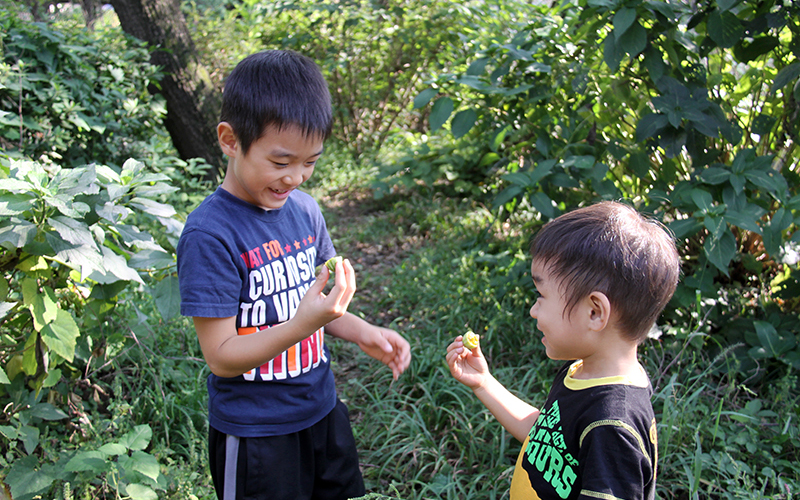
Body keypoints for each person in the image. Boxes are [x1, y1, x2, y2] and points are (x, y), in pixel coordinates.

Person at [177, 50, 412, 500]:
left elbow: (316, 306)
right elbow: (221, 355)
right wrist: (301, 325)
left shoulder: (304, 211)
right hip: (256, 434)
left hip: (322, 410)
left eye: (310, 162)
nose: (296, 178)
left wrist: (363, 331)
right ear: (230, 140)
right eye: (281, 162)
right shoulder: (211, 234)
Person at [445, 201, 680, 500]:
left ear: (595, 312)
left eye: (541, 295)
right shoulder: (585, 371)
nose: (533, 310)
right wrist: (484, 383)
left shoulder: (611, 425)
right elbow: (544, 437)